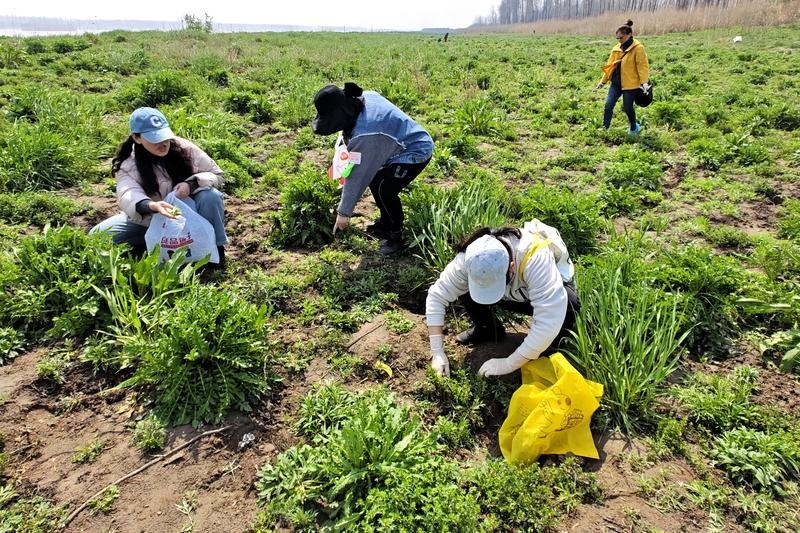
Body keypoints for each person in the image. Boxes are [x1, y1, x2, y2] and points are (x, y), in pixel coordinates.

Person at [425, 220, 580, 377]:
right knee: (463, 287)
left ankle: (547, 353)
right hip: (510, 293)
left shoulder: (535, 258)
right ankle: (488, 329)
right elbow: (436, 296)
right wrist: (437, 352)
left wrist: (509, 363)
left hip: (541, 294)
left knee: (569, 303)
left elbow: (549, 320)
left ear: (512, 266)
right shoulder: (471, 258)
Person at [91, 107, 228, 266]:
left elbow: (216, 174)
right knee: (97, 236)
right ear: (137, 138)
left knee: (211, 196)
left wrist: (191, 184)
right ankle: (162, 240)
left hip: (190, 213)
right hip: (150, 217)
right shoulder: (127, 164)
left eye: (165, 137)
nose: (163, 144)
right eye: (154, 139)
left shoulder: (185, 148)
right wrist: (152, 206)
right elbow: (128, 194)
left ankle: (216, 249)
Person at [311, 82, 434, 255]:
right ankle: (385, 223)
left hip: (415, 149)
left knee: (385, 188)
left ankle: (395, 236)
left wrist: (343, 213)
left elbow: (357, 175)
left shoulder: (367, 134)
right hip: (396, 143)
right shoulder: (361, 99)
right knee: (376, 181)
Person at [596, 20, 650, 136]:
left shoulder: (638, 48)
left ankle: (634, 127)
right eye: (617, 38)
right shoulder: (616, 49)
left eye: (621, 37)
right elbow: (610, 66)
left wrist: (644, 82)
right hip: (616, 83)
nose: (619, 40)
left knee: (627, 108)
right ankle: (605, 128)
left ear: (629, 35)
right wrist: (603, 82)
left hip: (630, 84)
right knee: (608, 105)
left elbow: (642, 66)